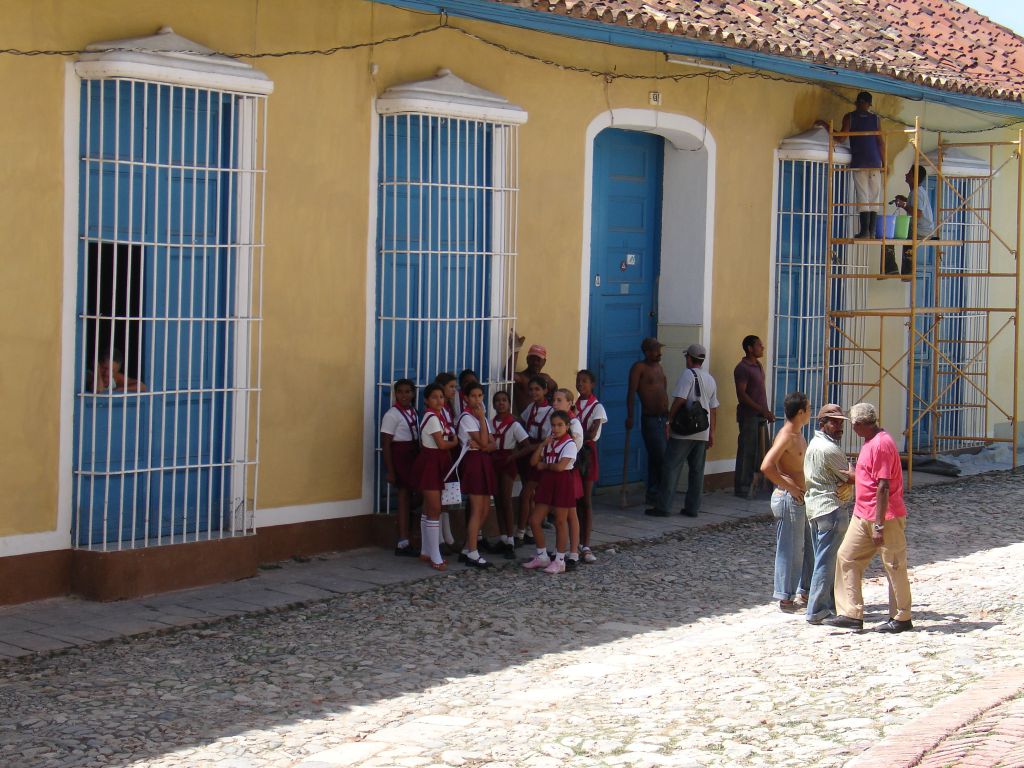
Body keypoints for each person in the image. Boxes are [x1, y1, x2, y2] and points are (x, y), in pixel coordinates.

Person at [825, 403, 914, 633]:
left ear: (861, 424)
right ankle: (851, 613)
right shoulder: (869, 442)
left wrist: (879, 524)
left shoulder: (882, 444)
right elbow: (872, 477)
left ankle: (902, 617)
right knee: (847, 557)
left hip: (884, 516)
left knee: (894, 565)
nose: (852, 429)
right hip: (862, 513)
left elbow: (884, 486)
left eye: (854, 425)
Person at [646, 344, 719, 518]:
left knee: (671, 467)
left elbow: (680, 399)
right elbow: (714, 408)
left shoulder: (688, 374)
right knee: (696, 470)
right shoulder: (710, 378)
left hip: (685, 430)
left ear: (689, 358)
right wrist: (712, 432)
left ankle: (664, 506)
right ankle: (692, 507)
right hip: (702, 429)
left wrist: (669, 420)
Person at [802, 403, 856, 624]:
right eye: (834, 422)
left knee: (823, 559)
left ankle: (828, 605)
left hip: (816, 508)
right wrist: (854, 471)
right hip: (830, 508)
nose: (839, 427)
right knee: (827, 562)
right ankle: (817, 610)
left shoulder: (814, 444)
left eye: (841, 423)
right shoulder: (830, 449)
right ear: (822, 423)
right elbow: (851, 476)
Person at [759, 391, 812, 612]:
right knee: (790, 549)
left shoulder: (799, 434)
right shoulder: (786, 436)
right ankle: (785, 596)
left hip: (803, 498)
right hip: (789, 499)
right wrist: (790, 487)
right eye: (808, 409)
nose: (810, 413)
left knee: (808, 546)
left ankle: (807, 590)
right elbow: (767, 466)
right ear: (800, 412)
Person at [818, 91, 884, 239]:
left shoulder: (850, 117)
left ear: (856, 102)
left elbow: (841, 138)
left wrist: (825, 125)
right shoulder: (875, 119)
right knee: (874, 196)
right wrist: (885, 164)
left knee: (863, 195)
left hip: (860, 162)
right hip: (875, 162)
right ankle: (871, 232)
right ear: (870, 104)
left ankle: (865, 232)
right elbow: (880, 142)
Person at [523, 410, 578, 575]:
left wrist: (545, 465)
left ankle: (560, 560)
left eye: (560, 425)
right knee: (534, 520)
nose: (556, 428)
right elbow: (533, 462)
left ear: (567, 426)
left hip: (562, 482)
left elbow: (560, 466)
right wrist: (542, 445)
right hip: (547, 482)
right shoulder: (549, 442)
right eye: (553, 425)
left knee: (560, 521)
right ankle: (542, 556)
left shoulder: (570, 444)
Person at [411, 384, 459, 570]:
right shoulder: (431, 418)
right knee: (434, 508)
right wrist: (454, 442)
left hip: (437, 462)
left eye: (441, 397)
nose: (439, 400)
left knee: (428, 507)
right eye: (434, 397)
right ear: (426, 400)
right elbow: (441, 444)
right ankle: (435, 556)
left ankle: (426, 550)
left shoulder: (440, 416)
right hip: (431, 463)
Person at [455, 382, 496, 569]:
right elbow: (484, 440)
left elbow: (492, 443)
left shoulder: (482, 418)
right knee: (477, 508)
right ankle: (473, 551)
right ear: (465, 397)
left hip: (484, 461)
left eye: (480, 396)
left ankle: (466, 548)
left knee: (485, 508)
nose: (477, 399)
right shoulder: (467, 418)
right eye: (473, 396)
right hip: (473, 462)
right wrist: (482, 427)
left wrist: (484, 442)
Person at [379, 378, 421, 557]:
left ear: (413, 393)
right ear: (395, 394)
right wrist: (390, 470)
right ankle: (403, 540)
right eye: (400, 392)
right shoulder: (392, 415)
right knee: (403, 495)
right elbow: (386, 443)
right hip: (400, 455)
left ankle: (409, 532)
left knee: (418, 494)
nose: (404, 395)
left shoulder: (414, 412)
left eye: (408, 392)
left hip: (413, 454)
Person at [626, 337, 670, 505]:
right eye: (655, 350)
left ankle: (653, 492)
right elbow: (631, 393)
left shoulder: (659, 367)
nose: (659, 353)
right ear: (647, 352)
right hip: (650, 419)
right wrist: (630, 416)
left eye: (659, 350)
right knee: (661, 457)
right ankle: (658, 492)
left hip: (662, 418)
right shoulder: (639, 368)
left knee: (655, 457)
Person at [734, 335, 775, 498]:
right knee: (747, 451)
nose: (762, 347)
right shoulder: (742, 368)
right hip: (749, 415)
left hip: (760, 415)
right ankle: (742, 486)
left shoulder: (758, 365)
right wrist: (761, 409)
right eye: (759, 345)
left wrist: (765, 411)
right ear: (750, 348)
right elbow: (741, 395)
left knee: (763, 452)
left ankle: (758, 485)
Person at [514, 376, 554, 545]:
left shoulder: (551, 412)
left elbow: (549, 439)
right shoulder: (530, 408)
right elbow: (521, 424)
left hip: (539, 455)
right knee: (528, 495)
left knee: (526, 494)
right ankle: (530, 530)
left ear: (545, 390)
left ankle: (520, 532)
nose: (534, 392)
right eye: (531, 389)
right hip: (526, 454)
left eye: (537, 389)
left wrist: (533, 448)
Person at [490, 390, 528, 559]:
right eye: (497, 400)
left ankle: (511, 541)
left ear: (509, 403)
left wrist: (513, 456)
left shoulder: (514, 424)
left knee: (506, 499)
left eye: (504, 400)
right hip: (493, 461)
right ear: (493, 404)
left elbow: (526, 445)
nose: (501, 403)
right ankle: (503, 537)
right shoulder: (490, 423)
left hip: (507, 461)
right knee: (497, 500)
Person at [576, 369, 607, 564]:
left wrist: (576, 435)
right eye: (578, 381)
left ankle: (585, 543)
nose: (581, 384)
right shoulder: (574, 405)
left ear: (592, 384)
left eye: (584, 381)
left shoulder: (597, 408)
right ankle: (574, 542)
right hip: (574, 452)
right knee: (574, 499)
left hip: (587, 453)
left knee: (586, 500)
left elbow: (591, 432)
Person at [552, 388, 584, 571]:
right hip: (558, 472)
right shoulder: (557, 421)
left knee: (571, 513)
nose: (555, 403)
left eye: (559, 400)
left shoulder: (573, 424)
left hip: (568, 471)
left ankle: (572, 552)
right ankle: (562, 550)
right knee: (563, 513)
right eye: (554, 400)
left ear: (569, 403)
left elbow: (574, 446)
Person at [884, 165, 937, 278]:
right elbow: (915, 206)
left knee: (888, 235)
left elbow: (918, 213)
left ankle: (890, 268)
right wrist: (905, 200)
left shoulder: (916, 192)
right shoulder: (917, 191)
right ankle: (906, 272)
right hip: (923, 229)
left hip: (921, 230)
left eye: (909, 173)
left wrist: (903, 205)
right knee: (904, 235)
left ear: (914, 177)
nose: (906, 174)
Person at [509, 334, 557, 415]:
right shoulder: (522, 378)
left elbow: (555, 387)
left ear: (544, 362)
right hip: (525, 422)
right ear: (527, 360)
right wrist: (516, 350)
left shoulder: (545, 378)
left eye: (538, 360)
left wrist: (550, 404)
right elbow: (508, 375)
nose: (535, 363)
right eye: (532, 359)